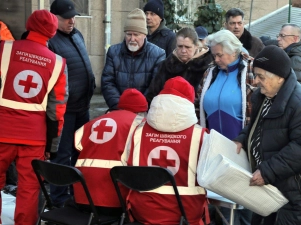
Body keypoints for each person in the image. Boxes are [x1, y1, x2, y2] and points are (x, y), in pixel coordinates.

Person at [233, 45, 301, 225]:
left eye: (261, 76)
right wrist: (243, 138)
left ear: (280, 77)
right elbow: (257, 125)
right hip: (277, 190)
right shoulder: (264, 96)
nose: (256, 81)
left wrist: (268, 170)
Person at [0, 10, 68, 225]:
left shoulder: (5, 49)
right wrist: (52, 145)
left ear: (29, 25)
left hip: (0, 131)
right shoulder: (57, 63)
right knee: (29, 188)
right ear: (53, 33)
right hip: (34, 137)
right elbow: (57, 110)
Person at [127, 76, 209, 225]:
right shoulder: (201, 135)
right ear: (189, 103)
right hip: (186, 213)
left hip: (143, 211)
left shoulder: (137, 131)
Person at [198, 29, 254, 225]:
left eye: (219, 55)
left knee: (242, 197)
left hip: (241, 143)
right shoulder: (211, 72)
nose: (216, 59)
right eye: (214, 54)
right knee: (216, 196)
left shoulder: (250, 69)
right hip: (214, 143)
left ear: (234, 51)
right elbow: (200, 103)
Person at [48, 0, 96, 208]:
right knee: (62, 155)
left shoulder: (77, 35)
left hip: (82, 107)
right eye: (66, 18)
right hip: (64, 110)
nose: (72, 20)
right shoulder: (51, 40)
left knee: (80, 153)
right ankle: (59, 200)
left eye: (74, 16)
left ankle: (78, 195)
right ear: (54, 18)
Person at [73, 88, 147, 216]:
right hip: (115, 200)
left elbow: (77, 144)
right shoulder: (140, 124)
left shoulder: (95, 122)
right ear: (142, 110)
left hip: (82, 197)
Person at [102, 8, 165, 110]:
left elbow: (155, 87)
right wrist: (120, 107)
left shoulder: (158, 54)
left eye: (136, 35)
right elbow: (107, 83)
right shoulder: (113, 52)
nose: (132, 39)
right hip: (118, 110)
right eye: (129, 34)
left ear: (144, 35)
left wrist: (139, 108)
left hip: (145, 112)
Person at [146, 27, 213, 104]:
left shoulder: (208, 66)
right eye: (180, 46)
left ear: (196, 46)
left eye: (188, 47)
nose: (183, 51)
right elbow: (152, 95)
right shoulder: (166, 65)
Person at [277, 24, 301, 93]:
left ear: (295, 38)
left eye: (282, 36)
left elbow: (296, 91)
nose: (278, 39)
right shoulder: (298, 54)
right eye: (278, 35)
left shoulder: (295, 60)